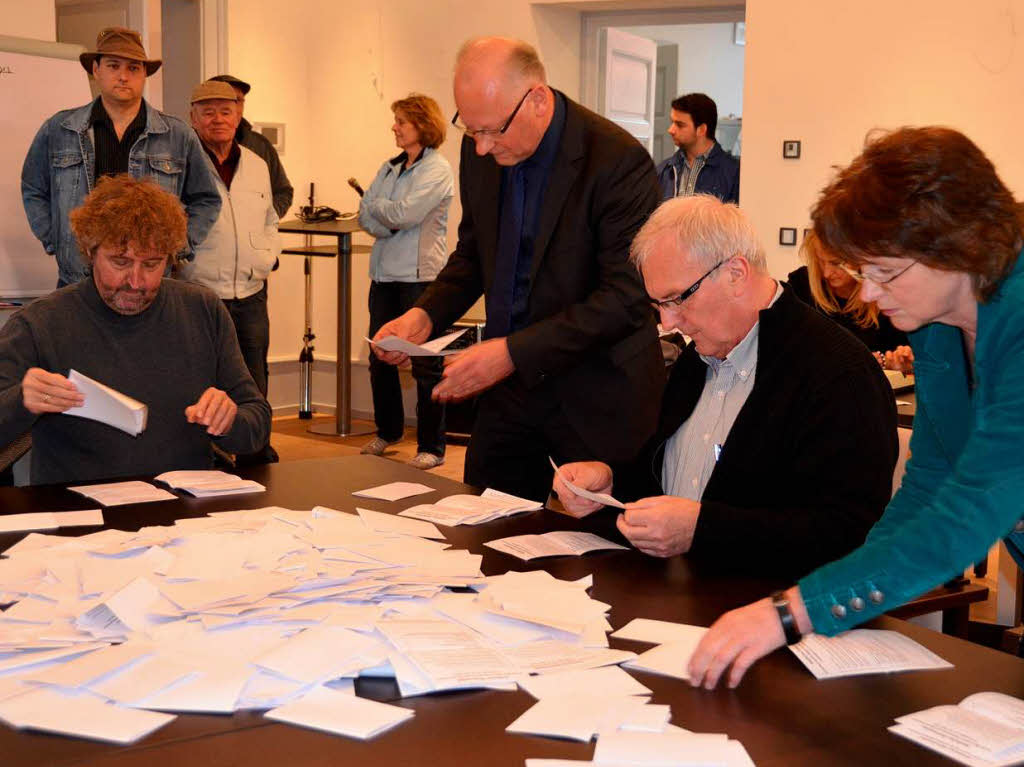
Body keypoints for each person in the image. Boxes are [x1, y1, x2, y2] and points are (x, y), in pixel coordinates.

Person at [686, 126, 1024, 690]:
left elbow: (970, 508)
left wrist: (796, 612)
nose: (867, 294)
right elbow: (929, 484)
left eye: (884, 273)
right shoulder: (937, 320)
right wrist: (842, 592)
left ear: (960, 247)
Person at [371, 37, 665, 501]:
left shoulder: (617, 161)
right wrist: (424, 317)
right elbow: (473, 254)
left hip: (598, 390)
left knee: (610, 556)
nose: (483, 148)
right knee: (483, 535)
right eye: (471, 131)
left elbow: (626, 299)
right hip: (511, 392)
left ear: (538, 100)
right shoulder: (480, 149)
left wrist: (511, 353)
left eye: (493, 131)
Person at [553, 195, 897, 577]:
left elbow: (841, 534)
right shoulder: (695, 359)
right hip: (675, 592)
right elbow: (674, 478)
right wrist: (611, 482)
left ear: (735, 274)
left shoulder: (838, 374)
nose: (668, 322)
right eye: (658, 305)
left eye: (677, 299)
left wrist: (701, 530)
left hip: (767, 610)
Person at [0, 174, 271, 486]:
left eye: (152, 264)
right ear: (90, 253)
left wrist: (231, 421)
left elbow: (257, 424)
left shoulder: (203, 310)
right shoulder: (40, 324)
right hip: (78, 513)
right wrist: (20, 401)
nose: (136, 281)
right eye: (120, 262)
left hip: (184, 510)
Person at [21, 26, 220, 287]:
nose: (123, 76)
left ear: (144, 75)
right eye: (114, 66)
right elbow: (33, 188)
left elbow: (207, 198)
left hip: (145, 282)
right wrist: (55, 239)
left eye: (133, 68)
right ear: (96, 70)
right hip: (77, 279)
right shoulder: (60, 129)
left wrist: (179, 246)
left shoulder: (178, 135)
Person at [180, 79, 281, 464]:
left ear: (239, 115)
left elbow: (271, 216)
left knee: (254, 375)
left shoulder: (257, 163)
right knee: (202, 376)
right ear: (193, 117)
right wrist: (184, 261)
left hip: (251, 290)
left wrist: (268, 257)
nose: (217, 119)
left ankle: (256, 449)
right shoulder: (184, 161)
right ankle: (211, 454)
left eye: (225, 110)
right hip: (201, 291)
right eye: (207, 112)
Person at [358, 94, 454, 470]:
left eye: (401, 121)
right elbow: (368, 216)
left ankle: (432, 446)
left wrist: (380, 211)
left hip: (420, 279)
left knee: (425, 366)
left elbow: (405, 214)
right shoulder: (389, 166)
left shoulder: (437, 169)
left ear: (422, 125)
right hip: (383, 276)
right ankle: (388, 431)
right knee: (378, 357)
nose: (394, 127)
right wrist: (385, 215)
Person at [788, 231, 912, 372]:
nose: (826, 273)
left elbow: (906, 356)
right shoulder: (800, 286)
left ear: (862, 259)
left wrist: (898, 362)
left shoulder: (889, 296)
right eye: (821, 261)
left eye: (836, 263)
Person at [209, 74, 294, 218]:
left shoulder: (260, 145)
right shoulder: (188, 146)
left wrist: (265, 220)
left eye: (238, 101)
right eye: (226, 100)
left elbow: (282, 192)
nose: (233, 107)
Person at [656, 93, 739, 204]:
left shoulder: (733, 172)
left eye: (679, 125)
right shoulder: (664, 170)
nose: (671, 130)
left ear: (701, 130)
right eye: (672, 122)